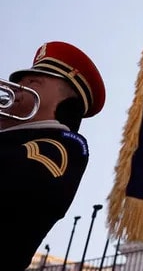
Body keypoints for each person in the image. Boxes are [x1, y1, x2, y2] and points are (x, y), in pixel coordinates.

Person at [1, 41, 106, 271]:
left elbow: (20, 180)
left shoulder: (65, 147)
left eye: (32, 83)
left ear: (62, 103)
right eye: (18, 83)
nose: (16, 88)